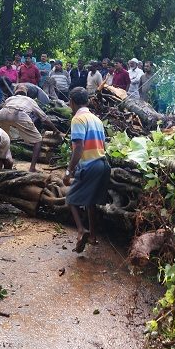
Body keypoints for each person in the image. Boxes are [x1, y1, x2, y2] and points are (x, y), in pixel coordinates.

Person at [63, 87, 110, 253]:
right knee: (91, 203)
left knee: (71, 198)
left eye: (69, 102)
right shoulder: (96, 119)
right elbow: (103, 145)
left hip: (90, 165)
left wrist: (69, 170)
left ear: (73, 102)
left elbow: (78, 147)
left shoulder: (78, 119)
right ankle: (93, 236)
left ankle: (82, 231)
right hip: (104, 165)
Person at [0, 89, 63, 172]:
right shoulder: (30, 100)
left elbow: (1, 107)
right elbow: (44, 118)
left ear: (15, 94)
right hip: (18, 113)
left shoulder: (10, 98)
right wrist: (55, 129)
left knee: (2, 138)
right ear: (26, 94)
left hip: (2, 114)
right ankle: (32, 168)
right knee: (38, 140)